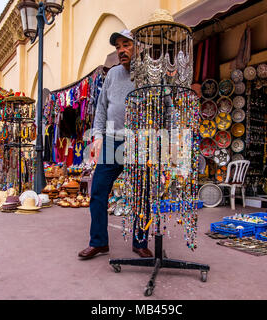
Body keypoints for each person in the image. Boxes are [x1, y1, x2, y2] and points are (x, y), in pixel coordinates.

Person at [78, 30, 153, 260]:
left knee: (141, 194)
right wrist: (98, 136)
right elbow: (101, 107)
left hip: (139, 142)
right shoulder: (111, 75)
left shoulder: (150, 74)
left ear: (137, 47)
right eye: (118, 46)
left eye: (126, 44)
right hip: (112, 141)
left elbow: (166, 105)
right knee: (98, 191)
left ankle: (140, 242)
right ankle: (99, 242)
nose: (121, 50)